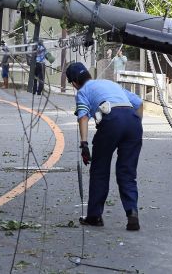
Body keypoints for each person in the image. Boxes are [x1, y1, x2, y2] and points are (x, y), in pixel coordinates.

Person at [65, 61, 144, 231]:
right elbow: (138, 102)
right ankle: (132, 213)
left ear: (74, 83)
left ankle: (94, 216)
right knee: (127, 171)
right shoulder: (109, 83)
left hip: (112, 121)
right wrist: (136, 125)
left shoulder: (82, 92)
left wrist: (84, 144)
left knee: (100, 169)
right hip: (133, 122)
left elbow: (83, 117)